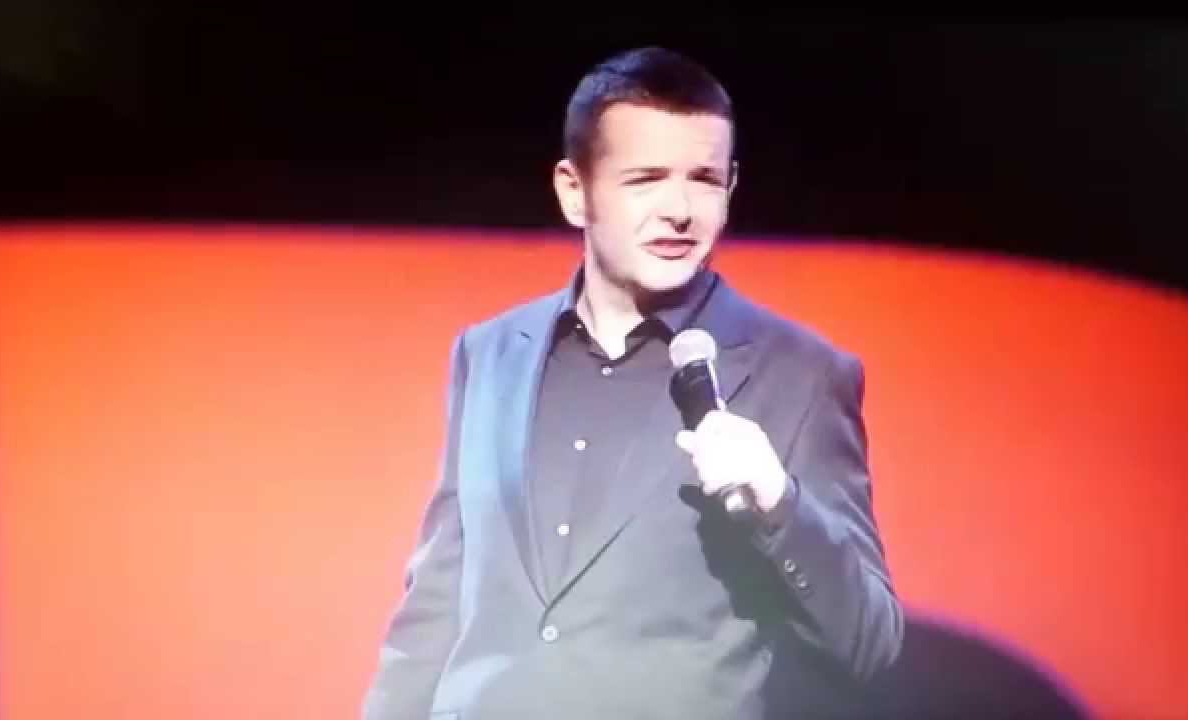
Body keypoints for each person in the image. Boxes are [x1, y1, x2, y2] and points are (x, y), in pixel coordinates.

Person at [361, 46, 904, 719]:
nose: (680, 209)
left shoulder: (801, 373)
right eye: (646, 179)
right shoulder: (491, 352)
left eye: (704, 179)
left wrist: (779, 502)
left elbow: (870, 641)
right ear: (575, 191)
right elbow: (436, 600)